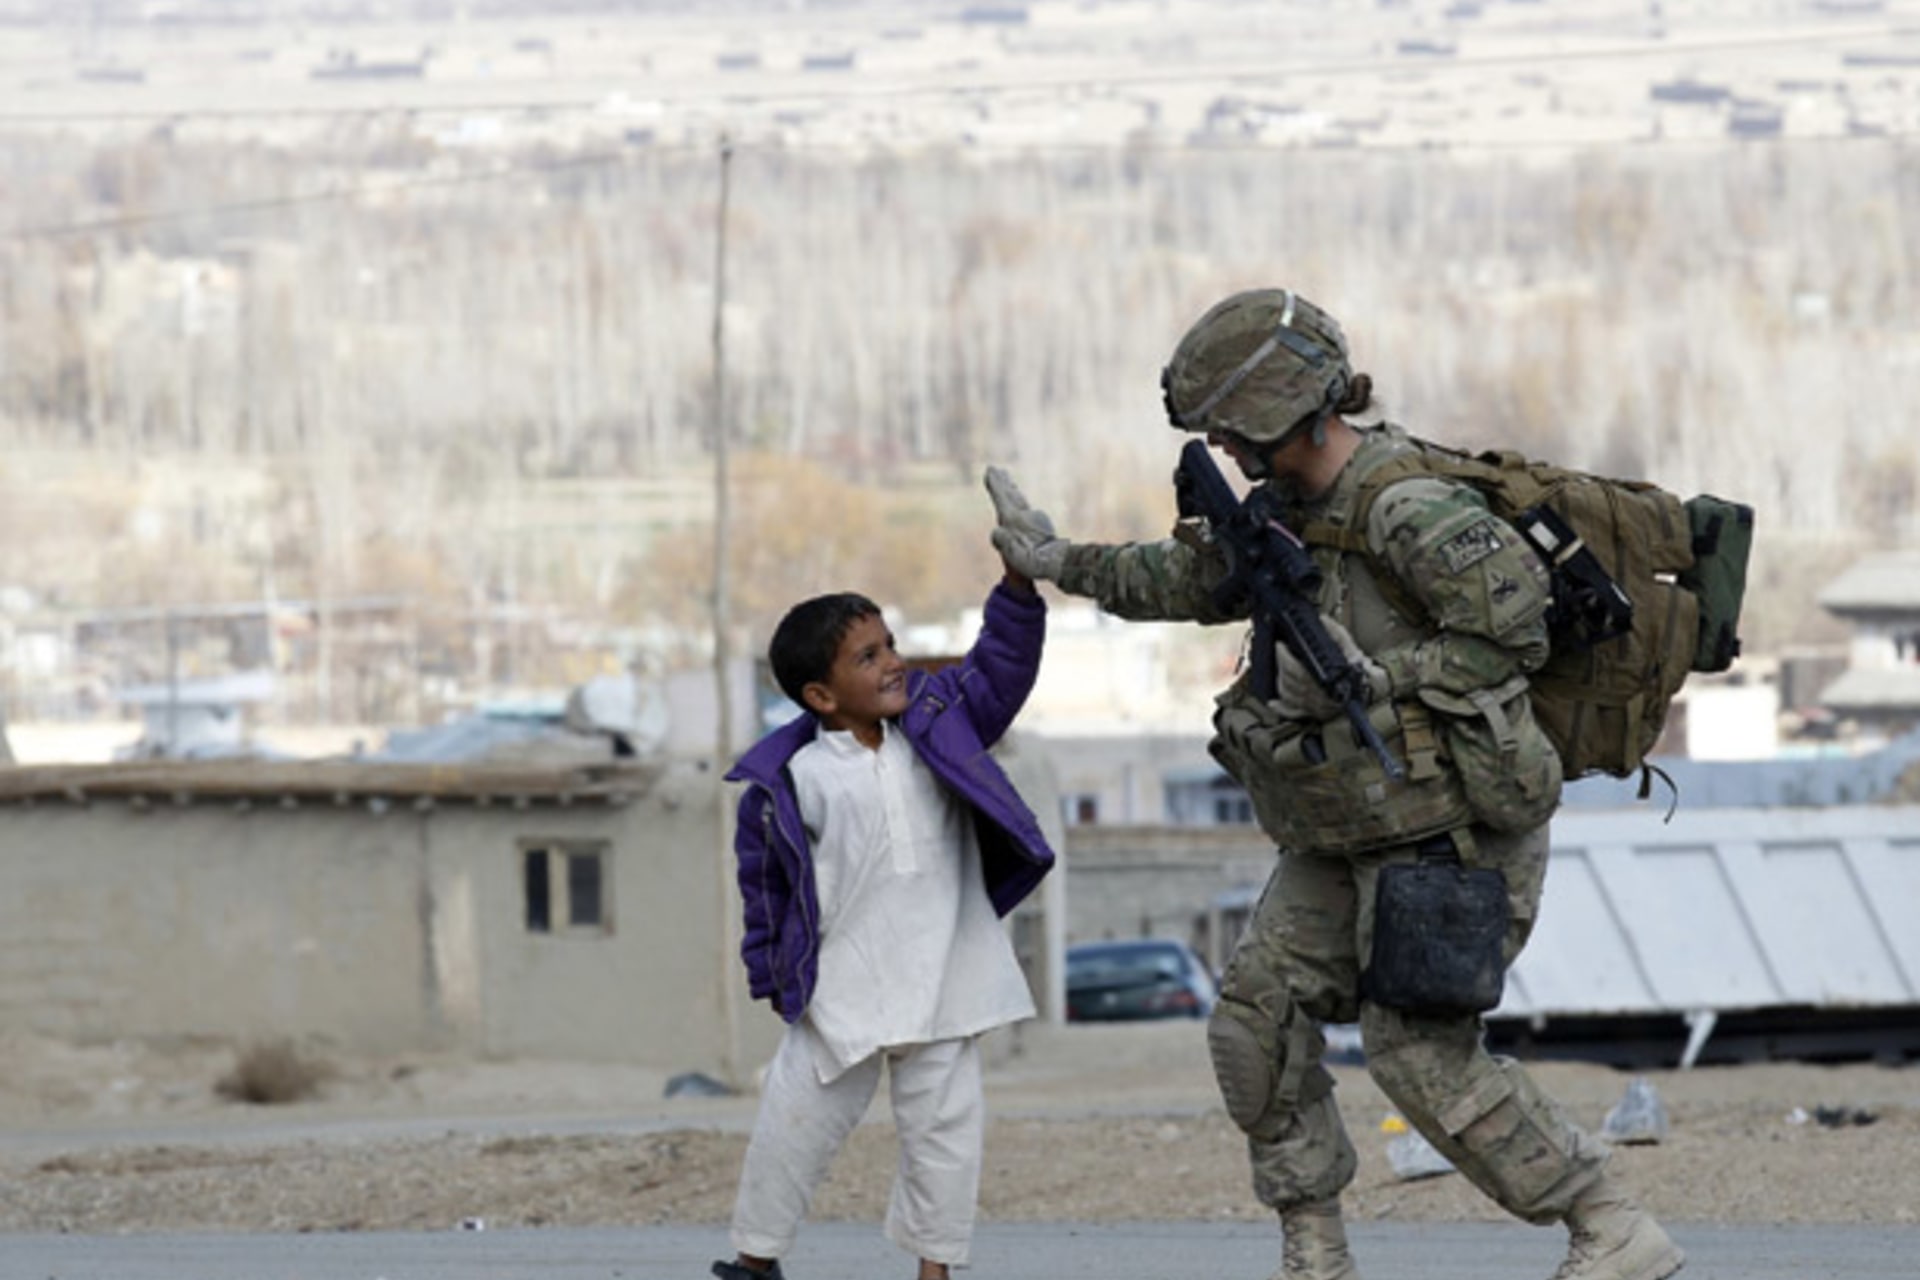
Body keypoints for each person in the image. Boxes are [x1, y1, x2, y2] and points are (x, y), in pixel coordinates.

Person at [986, 288, 1684, 1280]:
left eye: (1233, 424)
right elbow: (1187, 579)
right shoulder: (1283, 513)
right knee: (1254, 1020)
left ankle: (1611, 1223)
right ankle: (1314, 1245)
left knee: (1417, 1050)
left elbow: (1512, 639)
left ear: (1279, 408)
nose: (1223, 444)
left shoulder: (1410, 506)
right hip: (1342, 824)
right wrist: (1058, 560)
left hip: (1452, 824)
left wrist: (1369, 675)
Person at [713, 468, 1057, 1280]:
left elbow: (999, 668)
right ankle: (755, 1262)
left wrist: (1017, 578)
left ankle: (935, 1271)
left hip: (944, 976)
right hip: (846, 990)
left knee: (946, 1139)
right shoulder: (792, 780)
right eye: (870, 657)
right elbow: (764, 895)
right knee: (793, 1124)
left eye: (891, 645)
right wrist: (773, 976)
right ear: (822, 695)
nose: (895, 664)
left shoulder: (940, 724)